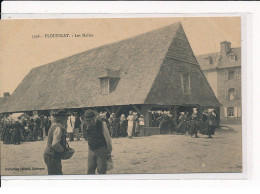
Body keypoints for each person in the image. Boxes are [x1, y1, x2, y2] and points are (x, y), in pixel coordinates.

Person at [82, 109, 112, 174]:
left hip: (101, 149)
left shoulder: (102, 124)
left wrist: (109, 153)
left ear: (94, 119)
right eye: (86, 121)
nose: (88, 122)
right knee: (90, 170)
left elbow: (108, 139)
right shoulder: (84, 125)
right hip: (91, 149)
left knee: (101, 170)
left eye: (89, 121)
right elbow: (87, 138)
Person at [44, 110, 69, 175]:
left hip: (49, 154)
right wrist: (63, 150)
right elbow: (55, 144)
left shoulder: (54, 125)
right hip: (52, 156)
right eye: (66, 118)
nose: (66, 120)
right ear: (61, 119)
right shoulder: (58, 128)